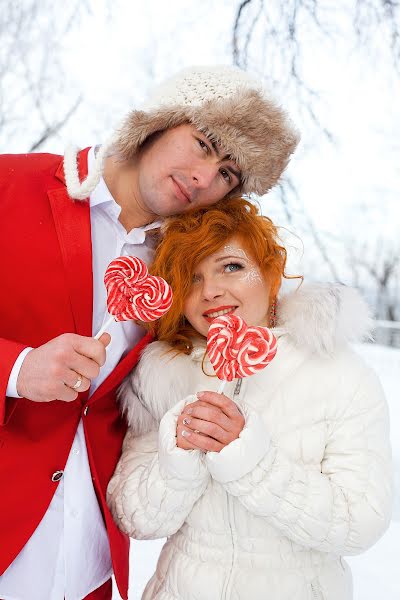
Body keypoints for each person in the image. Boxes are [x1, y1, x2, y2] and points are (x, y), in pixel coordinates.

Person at [0, 66, 299, 600]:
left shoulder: (183, 267)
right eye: (204, 144)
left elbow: (253, 307)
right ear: (155, 123)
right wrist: (17, 370)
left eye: (229, 174)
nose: (206, 178)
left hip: (88, 559)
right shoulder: (10, 183)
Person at [107, 197, 393, 600]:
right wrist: (179, 456)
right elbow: (134, 517)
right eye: (192, 277)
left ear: (270, 272)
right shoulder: (165, 375)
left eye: (232, 267)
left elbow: (359, 521)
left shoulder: (338, 372)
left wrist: (252, 461)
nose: (211, 291)